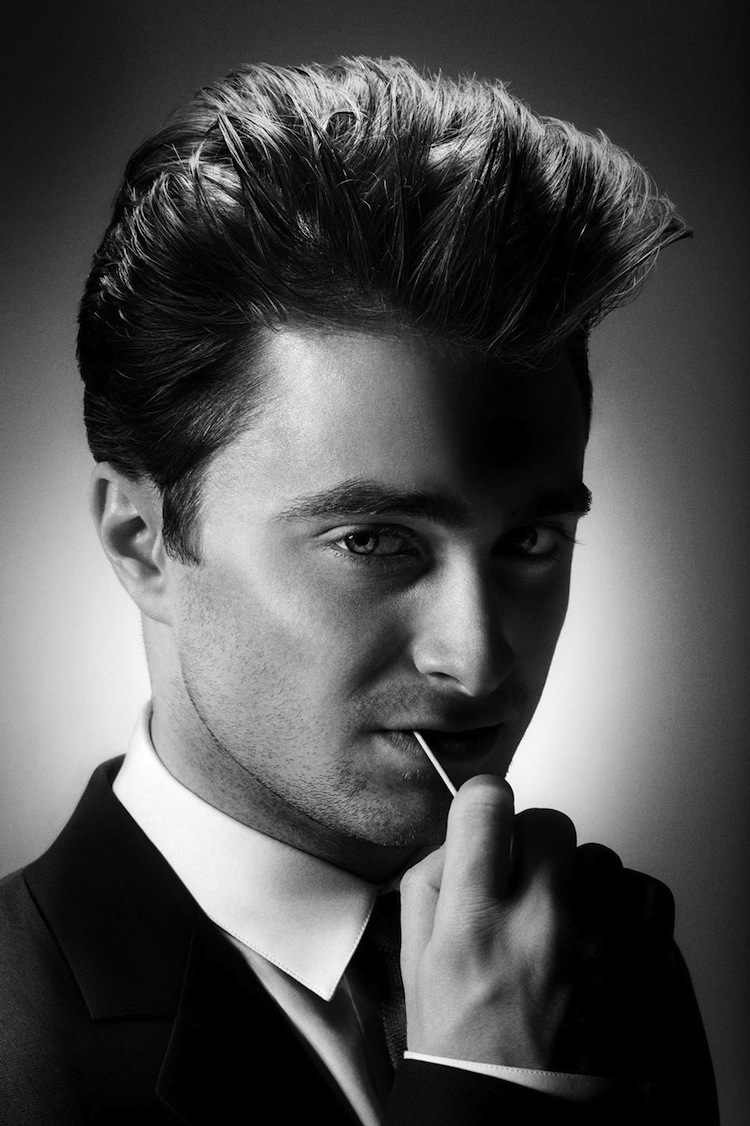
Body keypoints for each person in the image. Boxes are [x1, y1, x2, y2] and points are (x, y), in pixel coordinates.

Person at [0, 57, 718, 1124]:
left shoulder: (605, 974)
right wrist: (496, 1094)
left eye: (530, 538)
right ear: (142, 540)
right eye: (374, 539)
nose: (478, 659)